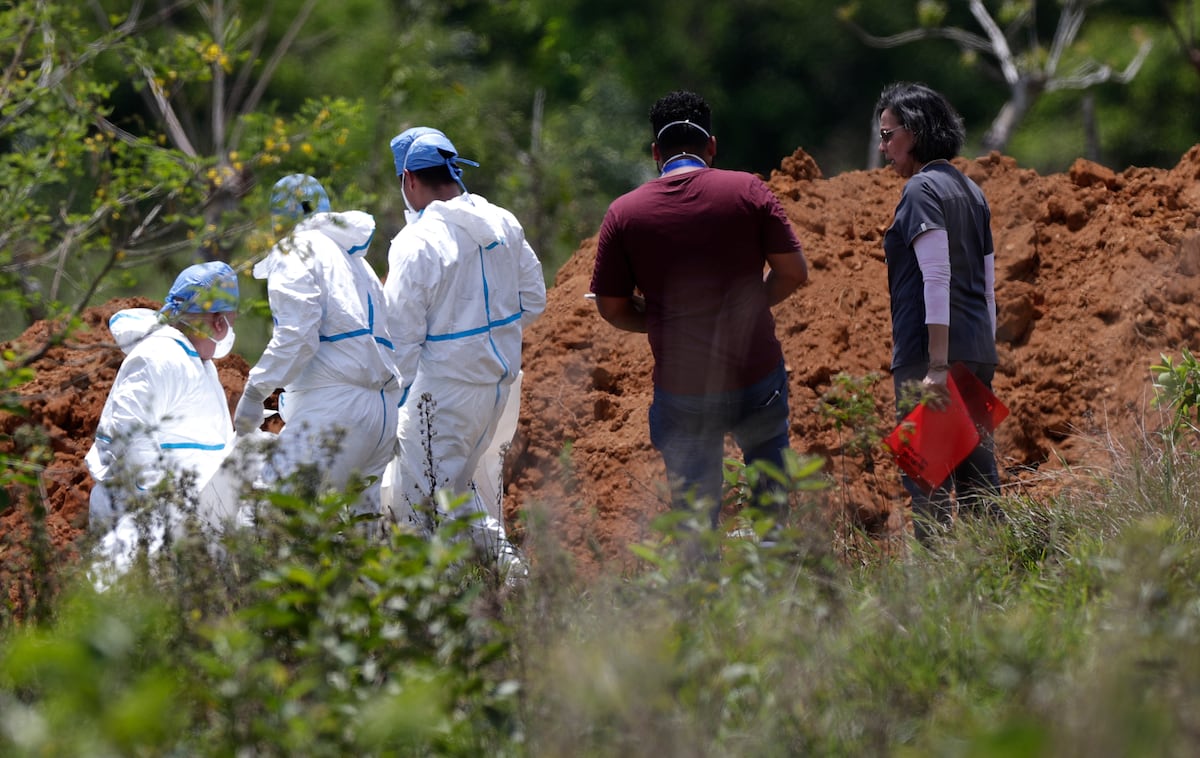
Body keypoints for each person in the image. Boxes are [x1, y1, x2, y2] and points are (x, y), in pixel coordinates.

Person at [589, 89, 810, 531]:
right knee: (772, 506)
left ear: (655, 152)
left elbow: (611, 308)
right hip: (756, 377)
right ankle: (776, 584)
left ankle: (701, 592)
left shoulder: (625, 214)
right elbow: (792, 273)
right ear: (711, 145)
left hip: (683, 390)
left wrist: (661, 320)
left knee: (694, 524)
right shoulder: (747, 190)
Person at [382, 127, 546, 576]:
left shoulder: (417, 242)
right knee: (456, 492)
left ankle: (442, 608)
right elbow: (534, 300)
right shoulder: (503, 222)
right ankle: (513, 579)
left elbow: (401, 336)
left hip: (443, 395)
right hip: (496, 390)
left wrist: (389, 399)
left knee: (419, 506)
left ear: (409, 180)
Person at [875, 81, 1005, 544]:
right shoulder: (973, 192)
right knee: (978, 479)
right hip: (975, 351)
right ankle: (999, 576)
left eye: (889, 135)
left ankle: (939, 587)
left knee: (927, 482)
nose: (883, 146)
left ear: (914, 132)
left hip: (932, 358)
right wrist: (983, 354)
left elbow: (936, 276)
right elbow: (988, 286)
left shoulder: (921, 191)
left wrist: (934, 364)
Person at [234, 174, 402, 523]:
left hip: (337, 408)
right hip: (381, 413)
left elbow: (297, 335)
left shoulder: (296, 249)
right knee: (358, 532)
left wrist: (255, 391)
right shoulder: (358, 263)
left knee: (272, 519)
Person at [85, 260, 244, 583]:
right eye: (228, 320)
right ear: (217, 322)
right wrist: (169, 502)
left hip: (181, 517)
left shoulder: (197, 362)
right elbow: (130, 436)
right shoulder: (157, 357)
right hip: (142, 517)